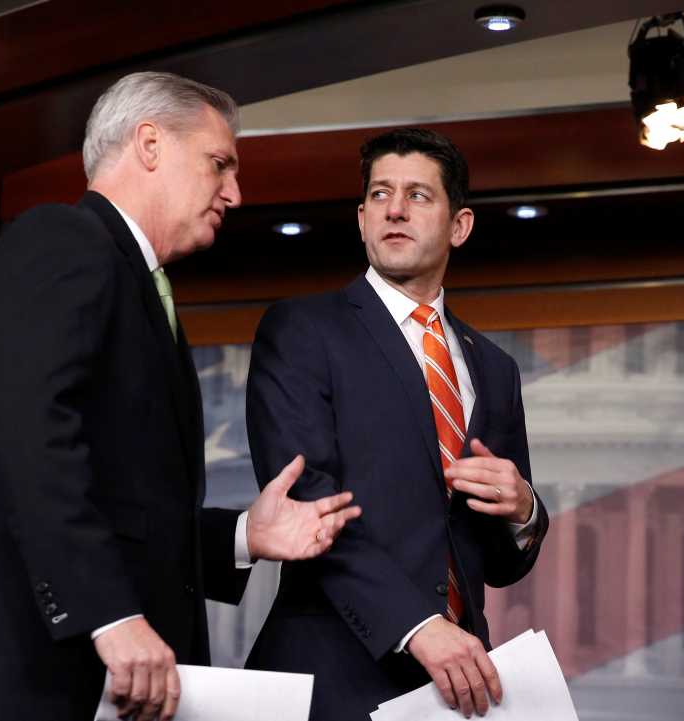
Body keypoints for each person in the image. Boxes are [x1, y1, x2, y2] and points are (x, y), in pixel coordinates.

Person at [0, 72, 361, 721]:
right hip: (17, 684)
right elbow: (35, 439)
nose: (235, 193)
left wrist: (246, 535)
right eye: (220, 164)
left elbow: (125, 507)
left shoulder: (140, 287)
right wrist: (109, 613)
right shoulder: (62, 241)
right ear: (149, 144)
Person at [243, 128, 549, 720]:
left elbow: (502, 564)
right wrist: (417, 625)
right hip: (334, 676)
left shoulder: (494, 367)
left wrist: (524, 511)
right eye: (380, 195)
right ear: (360, 220)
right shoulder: (303, 331)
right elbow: (309, 504)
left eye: (418, 195)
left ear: (459, 226)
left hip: (458, 687)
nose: (396, 210)